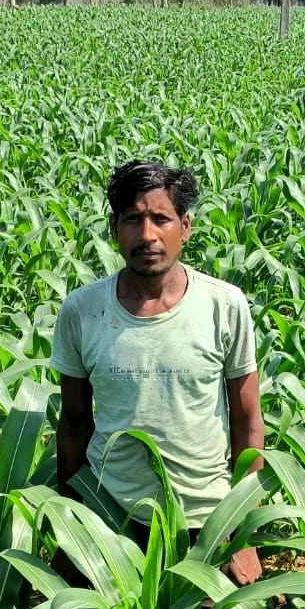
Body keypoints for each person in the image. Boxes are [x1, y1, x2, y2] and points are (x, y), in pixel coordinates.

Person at [51, 159, 263, 586]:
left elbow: (247, 421)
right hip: (110, 514)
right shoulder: (82, 310)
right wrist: (70, 523)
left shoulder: (224, 305)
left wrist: (243, 531)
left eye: (161, 219)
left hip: (206, 519)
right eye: (133, 219)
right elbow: (74, 425)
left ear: (184, 227)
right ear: (114, 229)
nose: (147, 235)